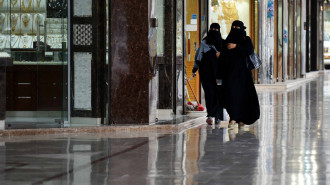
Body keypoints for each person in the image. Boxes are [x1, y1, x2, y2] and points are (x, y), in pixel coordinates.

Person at [221, 20, 260, 128]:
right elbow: (223, 59)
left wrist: (236, 47)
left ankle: (241, 119)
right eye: (234, 27)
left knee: (243, 97)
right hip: (229, 75)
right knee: (231, 96)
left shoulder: (246, 40)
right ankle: (233, 118)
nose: (235, 30)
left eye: (238, 28)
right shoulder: (227, 41)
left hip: (244, 75)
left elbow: (249, 50)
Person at [192, 23, 225, 125]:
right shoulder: (204, 43)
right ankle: (210, 115)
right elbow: (198, 57)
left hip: (219, 74)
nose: (214, 31)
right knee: (209, 93)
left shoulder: (223, 44)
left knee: (219, 94)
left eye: (216, 29)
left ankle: (218, 116)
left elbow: (228, 59)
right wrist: (194, 69)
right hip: (206, 74)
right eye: (213, 29)